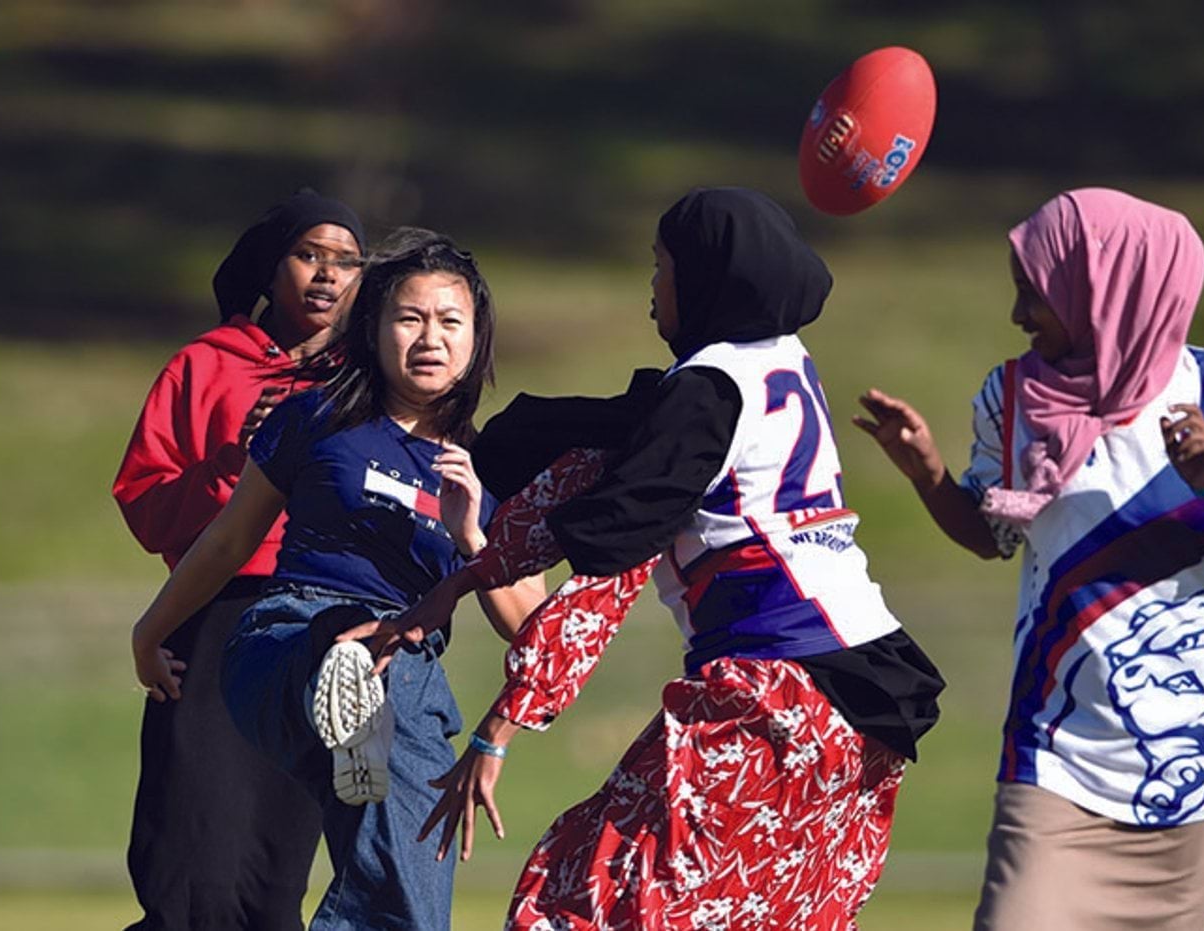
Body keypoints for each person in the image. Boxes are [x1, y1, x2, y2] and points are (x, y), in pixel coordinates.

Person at [353, 187, 946, 929]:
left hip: (777, 699)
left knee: (582, 894)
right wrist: (482, 543)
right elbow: (615, 432)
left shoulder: (705, 394)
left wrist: (495, 724)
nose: (653, 286)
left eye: (662, 266)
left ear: (703, 279)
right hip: (864, 712)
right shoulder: (776, 363)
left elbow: (613, 548)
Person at [852, 188, 1204, 930]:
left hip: (1198, 758)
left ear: (1103, 288)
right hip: (1057, 752)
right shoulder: (1010, 397)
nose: (1018, 314)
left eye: (1033, 292)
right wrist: (927, 470)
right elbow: (991, 537)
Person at [128, 230, 546, 931]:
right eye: (409, 318)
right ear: (374, 327)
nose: (429, 338)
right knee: (361, 652)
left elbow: (533, 625)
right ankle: (353, 682)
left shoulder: (490, 469)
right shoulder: (317, 418)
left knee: (408, 889)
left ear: (477, 340)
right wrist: (152, 630)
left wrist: (474, 535)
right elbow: (228, 539)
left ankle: (366, 713)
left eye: (450, 322)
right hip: (287, 637)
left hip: (403, 669)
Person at [114, 188, 365, 930]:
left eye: (346, 261)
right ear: (270, 265)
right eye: (308, 255)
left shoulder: (367, 383)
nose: (325, 275)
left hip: (318, 634)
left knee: (273, 874)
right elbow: (145, 500)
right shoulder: (205, 366)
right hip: (214, 623)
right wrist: (237, 460)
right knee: (191, 864)